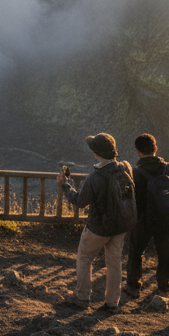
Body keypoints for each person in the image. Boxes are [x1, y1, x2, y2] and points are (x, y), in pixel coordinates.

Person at [57, 132, 134, 315]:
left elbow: (80, 201)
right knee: (114, 262)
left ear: (96, 153)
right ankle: (112, 302)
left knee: (84, 257)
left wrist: (65, 185)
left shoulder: (95, 177)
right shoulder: (125, 169)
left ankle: (82, 297)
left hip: (98, 228)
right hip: (120, 226)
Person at [125, 133, 169, 299]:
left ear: (138, 151)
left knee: (136, 252)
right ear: (155, 148)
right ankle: (164, 288)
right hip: (165, 220)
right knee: (165, 253)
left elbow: (129, 198)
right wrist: (165, 202)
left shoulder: (134, 172)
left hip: (142, 220)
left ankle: (133, 286)